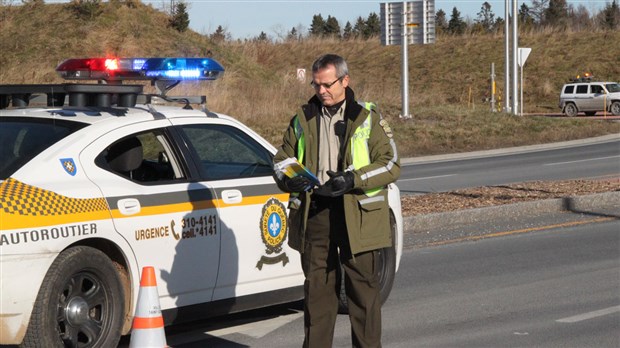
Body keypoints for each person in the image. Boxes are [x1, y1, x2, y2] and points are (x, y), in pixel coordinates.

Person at [273, 53, 400, 348]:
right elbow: (281, 159)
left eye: (327, 84)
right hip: (316, 211)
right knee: (318, 293)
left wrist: (353, 180)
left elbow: (391, 163)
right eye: (316, 85)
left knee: (362, 293)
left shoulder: (367, 118)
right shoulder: (302, 118)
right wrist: (287, 177)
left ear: (345, 81)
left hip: (357, 213)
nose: (321, 91)